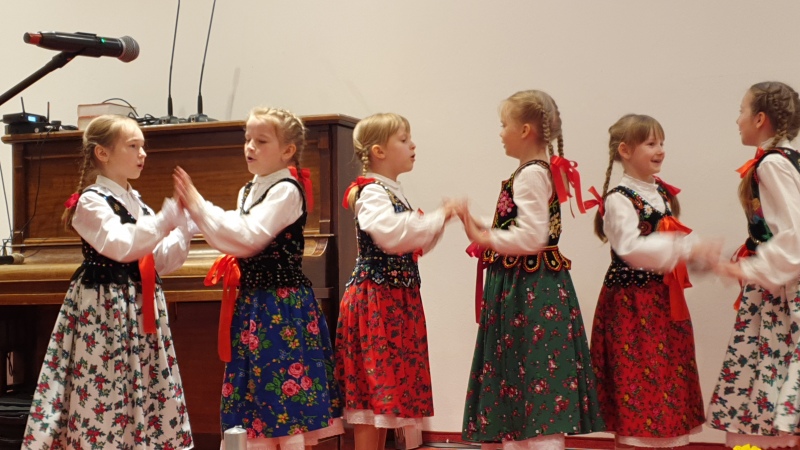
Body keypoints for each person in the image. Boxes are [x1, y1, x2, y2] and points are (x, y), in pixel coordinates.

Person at [173, 107, 342, 450]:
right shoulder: (249, 188)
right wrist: (191, 214)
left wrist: (199, 206)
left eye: (261, 141)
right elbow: (235, 230)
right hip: (254, 303)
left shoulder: (287, 190)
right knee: (255, 393)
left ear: (287, 150)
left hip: (281, 306)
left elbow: (249, 237)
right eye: (247, 138)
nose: (250, 146)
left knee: (283, 394)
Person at [22, 114, 194, 449]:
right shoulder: (91, 201)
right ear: (102, 153)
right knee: (107, 385)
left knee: (143, 385)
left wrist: (183, 226)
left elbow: (159, 260)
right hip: (106, 309)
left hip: (139, 307)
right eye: (133, 146)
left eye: (143, 146)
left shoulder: (137, 202)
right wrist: (164, 220)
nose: (143, 153)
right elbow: (121, 245)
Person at [460, 90, 604, 450]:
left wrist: (486, 237)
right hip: (529, 286)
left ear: (525, 130)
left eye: (503, 124)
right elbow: (520, 225)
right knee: (529, 373)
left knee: (535, 371)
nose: (500, 132)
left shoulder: (530, 175)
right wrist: (478, 223)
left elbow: (532, 236)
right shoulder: (537, 172)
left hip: (530, 290)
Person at [589, 113, 715, 449]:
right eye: (650, 143)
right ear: (625, 150)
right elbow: (630, 249)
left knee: (666, 382)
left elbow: (673, 235)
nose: (660, 150)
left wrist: (701, 252)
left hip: (662, 301)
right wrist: (684, 247)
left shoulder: (660, 192)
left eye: (661, 143)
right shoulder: (618, 199)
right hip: (632, 306)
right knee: (637, 385)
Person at [336, 112, 458, 450]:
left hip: (394, 300)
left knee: (384, 399)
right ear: (379, 151)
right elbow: (390, 235)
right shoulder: (372, 193)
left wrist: (440, 221)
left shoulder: (392, 192)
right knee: (372, 396)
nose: (412, 145)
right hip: (376, 302)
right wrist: (437, 217)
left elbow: (413, 243)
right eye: (403, 140)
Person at [707, 81, 800, 449]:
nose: (737, 120)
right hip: (777, 286)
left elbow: (794, 235)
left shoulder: (773, 164)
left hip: (781, 292)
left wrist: (750, 269)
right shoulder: (789, 160)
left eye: (741, 111)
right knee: (766, 380)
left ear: (760, 118)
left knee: (768, 379)